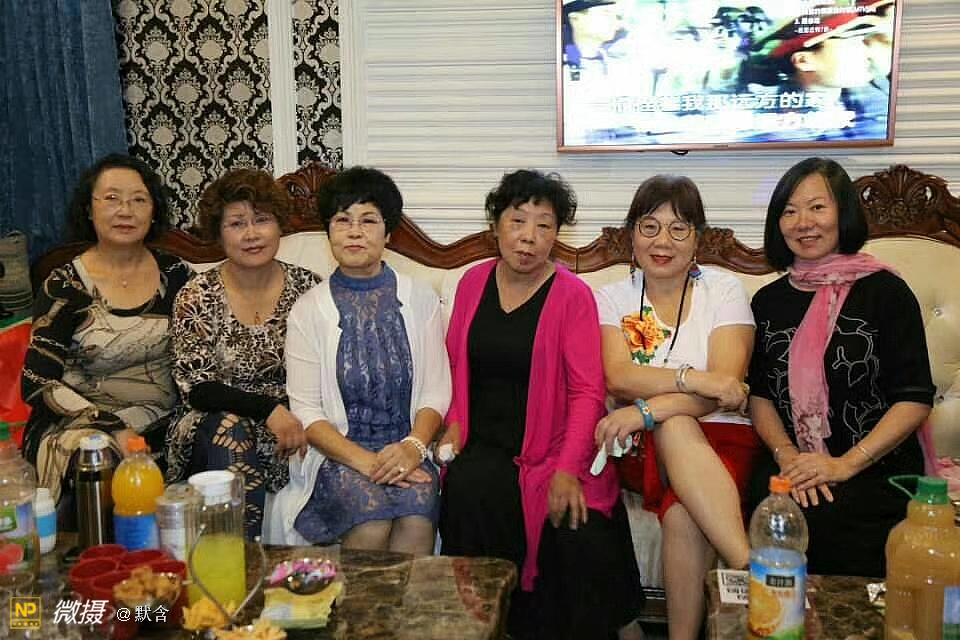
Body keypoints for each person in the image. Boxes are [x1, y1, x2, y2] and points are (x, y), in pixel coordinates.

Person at [438, 170, 643, 640]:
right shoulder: (472, 282)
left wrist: (567, 469)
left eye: (544, 225)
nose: (529, 237)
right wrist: (454, 426)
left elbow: (587, 392)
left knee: (575, 525)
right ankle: (487, 626)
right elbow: (454, 367)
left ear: (557, 234)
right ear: (495, 225)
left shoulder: (573, 296)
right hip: (485, 444)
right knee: (469, 492)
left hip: (554, 447)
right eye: (517, 221)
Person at [747, 157, 934, 578]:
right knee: (776, 509)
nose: (803, 223)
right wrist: (789, 456)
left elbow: (915, 398)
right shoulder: (767, 302)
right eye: (789, 211)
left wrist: (843, 464)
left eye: (817, 207)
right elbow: (760, 395)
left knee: (833, 518)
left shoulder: (886, 292)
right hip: (789, 462)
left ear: (843, 212)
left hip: (873, 465)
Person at [594, 175, 758, 640]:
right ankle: (750, 567)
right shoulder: (611, 298)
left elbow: (727, 388)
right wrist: (695, 380)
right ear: (631, 235)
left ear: (697, 239)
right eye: (649, 227)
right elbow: (619, 377)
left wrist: (646, 410)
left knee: (682, 511)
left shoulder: (724, 290)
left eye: (678, 229)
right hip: (641, 447)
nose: (662, 241)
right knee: (676, 423)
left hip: (722, 437)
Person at [265, 166, 451, 555]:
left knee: (417, 512)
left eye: (368, 220)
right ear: (328, 232)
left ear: (388, 233)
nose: (354, 232)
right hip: (337, 452)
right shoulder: (308, 311)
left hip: (406, 447)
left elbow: (435, 390)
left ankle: (408, 600)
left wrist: (414, 447)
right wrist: (367, 463)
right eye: (342, 220)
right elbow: (307, 411)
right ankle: (357, 599)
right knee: (372, 517)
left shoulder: (420, 300)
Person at [21, 153, 193, 502]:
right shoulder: (65, 285)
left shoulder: (176, 274)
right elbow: (37, 381)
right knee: (97, 457)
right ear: (89, 209)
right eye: (112, 198)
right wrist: (112, 427)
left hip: (164, 421)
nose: (125, 211)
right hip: (79, 424)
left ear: (154, 211)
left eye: (139, 200)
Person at [166, 169, 321, 537]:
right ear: (219, 233)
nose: (251, 234)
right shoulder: (197, 295)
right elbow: (198, 388)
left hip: (293, 423)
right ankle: (241, 557)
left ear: (279, 226)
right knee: (230, 428)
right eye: (237, 223)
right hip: (213, 422)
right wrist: (268, 411)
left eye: (262, 220)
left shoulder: (310, 288)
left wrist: (299, 417)